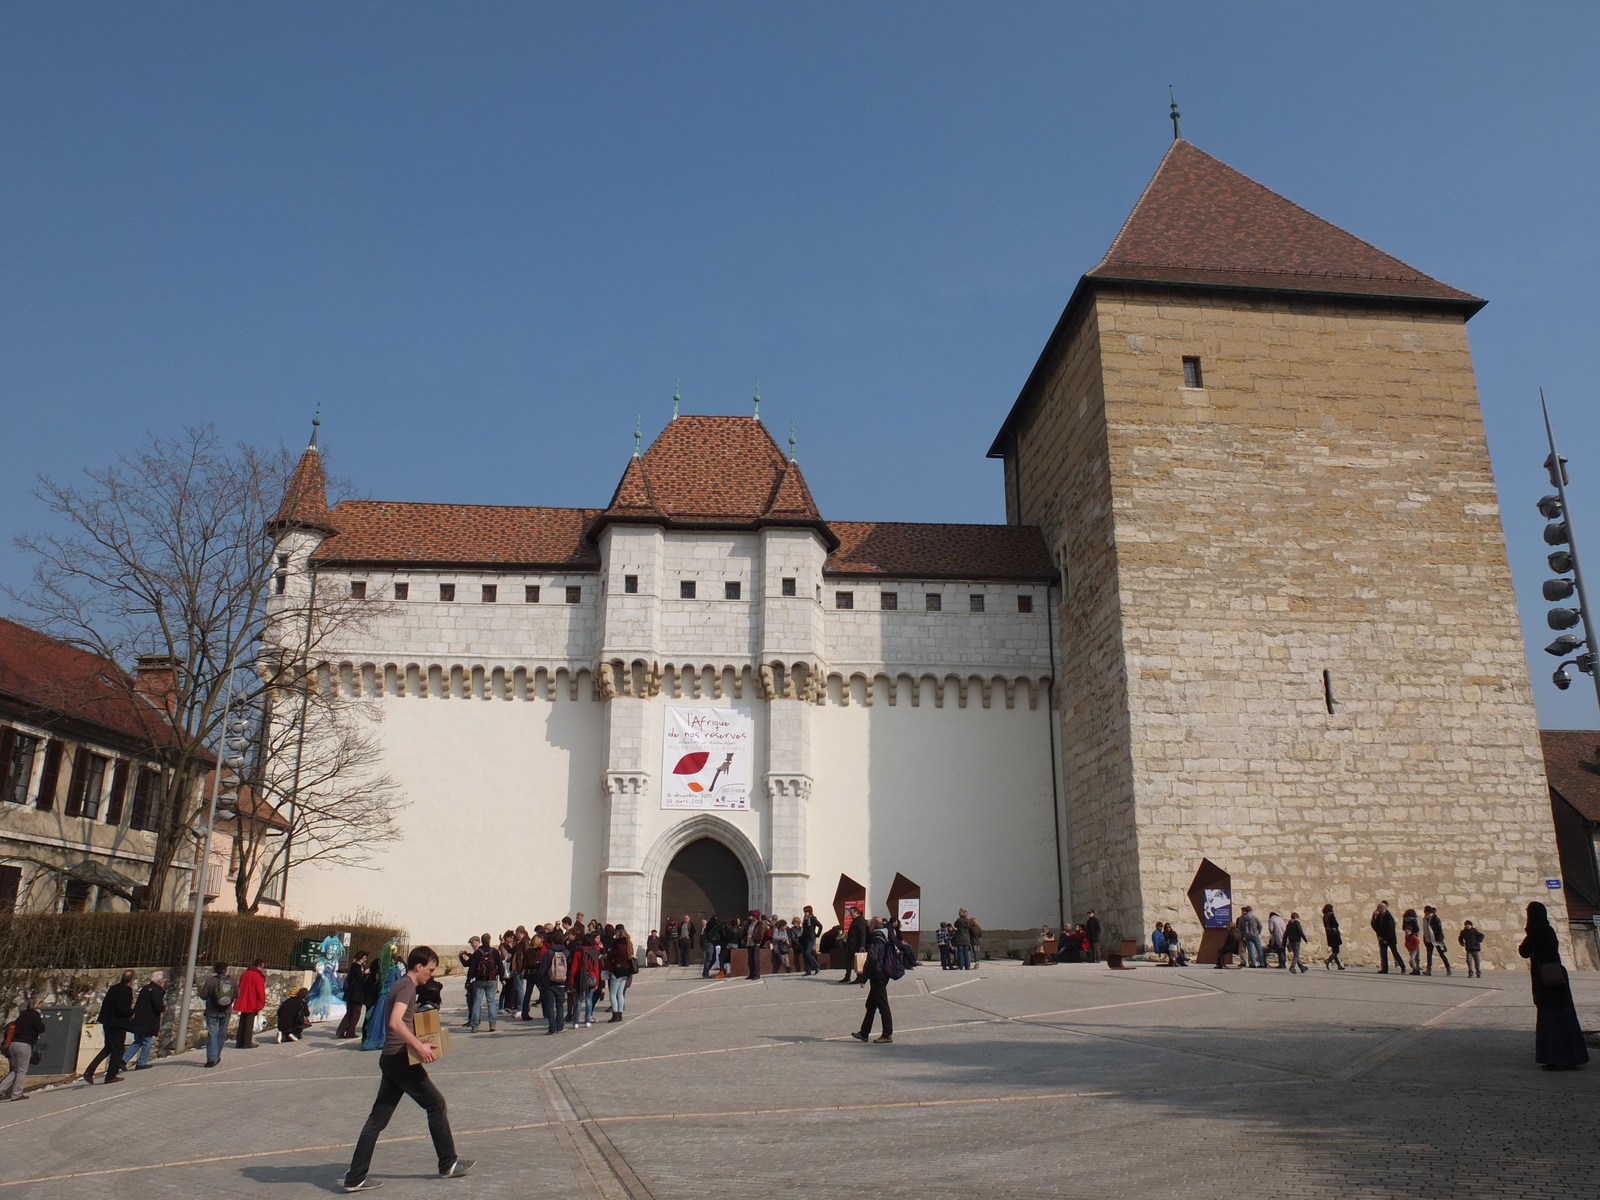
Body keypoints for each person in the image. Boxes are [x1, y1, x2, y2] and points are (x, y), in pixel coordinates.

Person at [343, 945, 473, 1191]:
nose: (431, 975)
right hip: (401, 1059)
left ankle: (355, 1177)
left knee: (376, 1121)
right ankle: (448, 1163)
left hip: (392, 1059)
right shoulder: (406, 986)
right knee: (436, 1104)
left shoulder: (403, 985)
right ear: (419, 966)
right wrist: (419, 1047)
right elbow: (394, 1023)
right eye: (430, 970)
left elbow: (400, 1021)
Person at [1518, 901, 1588, 1070]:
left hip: (1545, 978)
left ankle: (1556, 1058)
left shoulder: (1535, 931)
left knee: (1550, 1019)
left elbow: (1524, 952)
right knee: (1565, 1017)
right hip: (1557, 974)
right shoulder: (1549, 929)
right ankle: (1572, 1057)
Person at [80, 970, 135, 1085]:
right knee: (118, 1050)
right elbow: (122, 1008)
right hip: (117, 1024)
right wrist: (131, 1013)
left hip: (107, 1022)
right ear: (131, 981)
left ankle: (89, 1071)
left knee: (108, 1047)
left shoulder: (114, 988)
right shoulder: (126, 991)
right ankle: (111, 1076)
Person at [851, 919, 896, 1044]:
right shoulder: (885, 936)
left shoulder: (877, 938)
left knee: (882, 1004)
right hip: (882, 973)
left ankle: (887, 1034)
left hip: (878, 974)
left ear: (872, 926)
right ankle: (864, 1033)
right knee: (871, 1004)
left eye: (869, 925)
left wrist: (864, 977)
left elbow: (872, 958)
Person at [1, 1003, 44, 1100]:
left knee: (16, 1070)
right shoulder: (34, 1016)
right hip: (24, 1045)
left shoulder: (20, 1018)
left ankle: (1, 1089)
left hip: (13, 1044)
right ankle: (17, 1094)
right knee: (22, 1071)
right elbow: (41, 1028)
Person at [199, 963, 235, 1067]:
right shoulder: (231, 981)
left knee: (212, 1035)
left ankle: (211, 1059)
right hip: (226, 1011)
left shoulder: (210, 981)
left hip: (212, 1012)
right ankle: (217, 1056)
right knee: (221, 1035)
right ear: (225, 970)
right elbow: (237, 994)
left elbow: (203, 996)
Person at [128, 971, 166, 1069]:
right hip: (149, 1020)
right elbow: (157, 1006)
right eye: (162, 979)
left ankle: (123, 1060)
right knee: (147, 1041)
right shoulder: (157, 990)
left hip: (138, 1019)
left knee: (137, 1041)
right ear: (159, 980)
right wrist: (164, 1008)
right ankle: (141, 1062)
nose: (163, 981)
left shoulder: (145, 988)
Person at [467, 933, 503, 1033]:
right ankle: (492, 1023)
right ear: (489, 940)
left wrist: (468, 980)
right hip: (491, 980)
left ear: (481, 941)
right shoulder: (494, 952)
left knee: (477, 1002)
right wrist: (502, 977)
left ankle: (474, 1025)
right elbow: (500, 965)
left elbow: (472, 968)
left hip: (479, 980)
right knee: (491, 1001)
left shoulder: (477, 953)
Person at [537, 933, 569, 1035]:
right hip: (562, 982)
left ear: (553, 942)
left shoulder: (549, 952)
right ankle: (560, 1027)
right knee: (560, 1005)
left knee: (550, 1006)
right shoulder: (566, 952)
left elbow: (543, 968)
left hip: (550, 983)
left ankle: (552, 1028)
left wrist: (541, 980)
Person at [235, 960, 268, 1049]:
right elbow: (260, 992)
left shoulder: (245, 974)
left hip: (243, 1000)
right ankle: (247, 1042)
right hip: (252, 1002)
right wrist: (261, 1003)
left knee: (242, 1021)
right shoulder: (258, 976)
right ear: (259, 966)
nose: (262, 969)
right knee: (249, 1023)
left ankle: (239, 1042)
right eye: (262, 967)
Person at [606, 928, 636, 1021]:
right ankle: (620, 1013)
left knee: (613, 994)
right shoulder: (629, 945)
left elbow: (611, 956)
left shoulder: (618, 946)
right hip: (626, 971)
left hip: (618, 970)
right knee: (620, 993)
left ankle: (615, 1014)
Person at [339, 952, 370, 1039]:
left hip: (351, 993)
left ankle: (341, 1031)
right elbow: (360, 979)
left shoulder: (354, 966)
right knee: (356, 1012)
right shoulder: (356, 966)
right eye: (364, 957)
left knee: (349, 1012)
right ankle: (350, 1032)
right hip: (355, 994)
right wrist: (365, 973)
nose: (365, 959)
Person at [1370, 901, 1404, 975]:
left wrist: (1386, 939)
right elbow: (1376, 926)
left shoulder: (1389, 917)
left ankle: (1402, 966)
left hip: (1390, 938)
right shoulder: (1378, 916)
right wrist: (1379, 936)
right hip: (1382, 938)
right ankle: (1384, 968)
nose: (1377, 909)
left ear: (1384, 908)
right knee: (1383, 954)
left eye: (1379, 907)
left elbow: (1390, 929)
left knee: (1395, 952)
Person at [1423, 906, 1452, 976]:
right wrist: (1425, 939)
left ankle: (1448, 968)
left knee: (1441, 954)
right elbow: (1425, 930)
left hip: (1436, 939)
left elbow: (1439, 930)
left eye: (1427, 912)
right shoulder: (1425, 919)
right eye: (1425, 912)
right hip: (1428, 939)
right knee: (1429, 954)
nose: (1426, 913)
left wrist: (1439, 940)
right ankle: (1428, 970)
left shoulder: (1435, 919)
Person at [844, 907, 871, 983]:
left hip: (856, 945)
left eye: (851, 912)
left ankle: (859, 977)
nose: (850, 914)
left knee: (857, 961)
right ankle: (847, 976)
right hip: (851, 944)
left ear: (856, 912)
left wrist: (862, 945)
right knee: (848, 961)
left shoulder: (860, 920)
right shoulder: (855, 920)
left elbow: (862, 933)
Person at [745, 910, 768, 981]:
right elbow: (745, 931)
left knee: (755, 959)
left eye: (754, 916)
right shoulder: (749, 923)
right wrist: (744, 938)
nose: (753, 917)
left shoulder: (760, 924)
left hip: (756, 943)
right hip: (749, 943)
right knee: (750, 959)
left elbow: (760, 935)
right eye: (752, 916)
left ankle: (757, 974)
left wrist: (752, 936)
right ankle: (751, 974)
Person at [800, 906, 823, 975]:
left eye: (806, 912)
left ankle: (816, 965)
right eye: (804, 912)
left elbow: (820, 926)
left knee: (807, 952)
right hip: (805, 938)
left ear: (810, 912)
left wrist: (818, 934)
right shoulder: (805, 919)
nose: (805, 913)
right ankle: (808, 970)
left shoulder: (812, 918)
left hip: (811, 938)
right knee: (804, 953)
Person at [1321, 904, 1344, 970]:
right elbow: (1336, 924)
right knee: (1337, 951)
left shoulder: (1324, 916)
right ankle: (1328, 960)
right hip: (1334, 934)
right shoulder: (1331, 915)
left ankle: (1339, 965)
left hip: (1329, 934)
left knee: (1334, 951)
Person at [1401, 909, 1423, 975]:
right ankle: (1417, 968)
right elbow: (1417, 929)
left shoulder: (1404, 919)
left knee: (1411, 953)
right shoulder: (1414, 920)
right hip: (1414, 935)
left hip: (1407, 936)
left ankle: (1414, 968)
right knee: (1417, 954)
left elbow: (1403, 927)